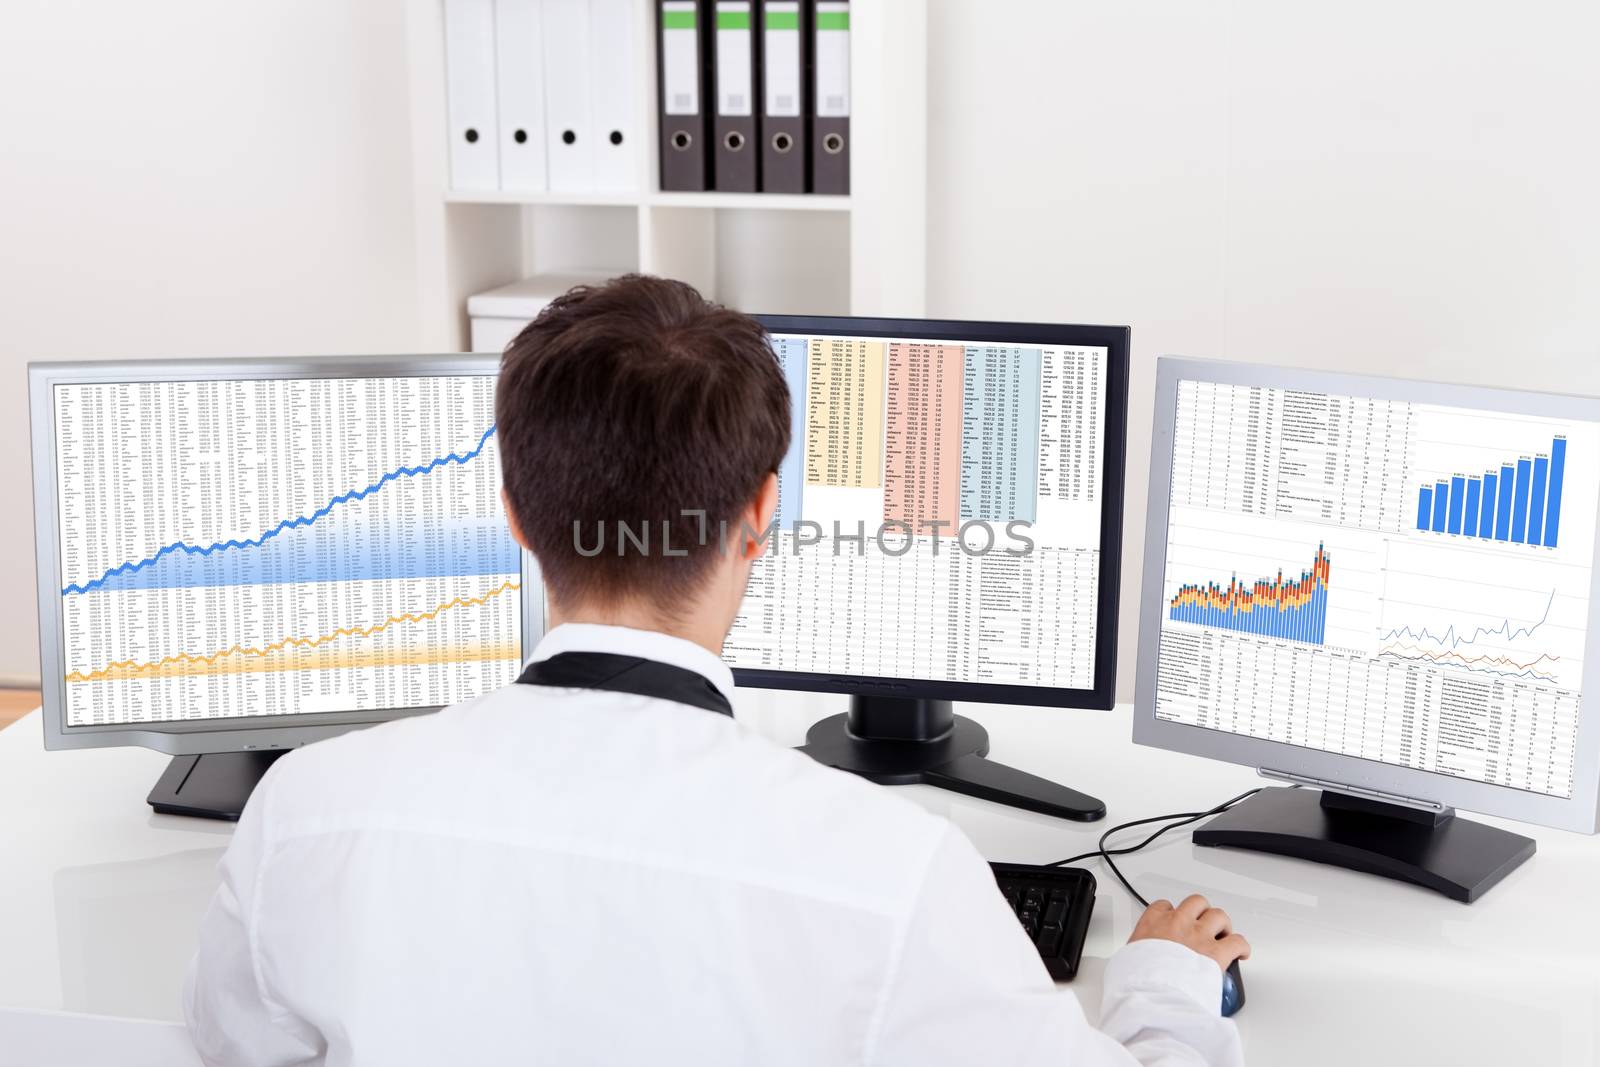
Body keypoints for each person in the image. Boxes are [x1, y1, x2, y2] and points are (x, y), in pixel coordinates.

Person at [184, 275, 1248, 1066]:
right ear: (759, 517)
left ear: (511, 511)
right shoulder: (893, 870)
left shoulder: (305, 810)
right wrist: (1164, 987)